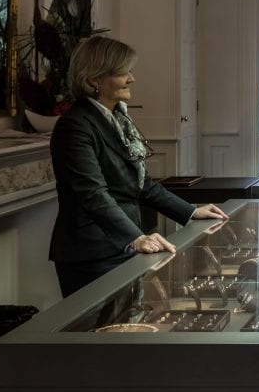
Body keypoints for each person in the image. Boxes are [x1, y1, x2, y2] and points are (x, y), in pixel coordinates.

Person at [49, 36, 228, 298]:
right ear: (93, 80)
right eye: (123, 72)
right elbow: (93, 194)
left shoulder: (118, 118)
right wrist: (136, 238)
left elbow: (141, 184)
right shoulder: (74, 126)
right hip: (92, 255)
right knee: (101, 336)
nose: (131, 78)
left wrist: (189, 212)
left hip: (121, 246)